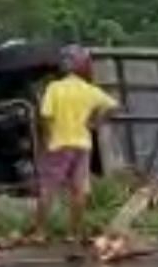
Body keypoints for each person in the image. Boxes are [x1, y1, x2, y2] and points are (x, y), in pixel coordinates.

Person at [29, 44, 118, 245]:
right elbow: (114, 106)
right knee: (79, 190)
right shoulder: (89, 90)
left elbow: (45, 116)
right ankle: (72, 233)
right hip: (83, 144)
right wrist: (95, 122)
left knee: (47, 189)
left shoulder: (54, 88)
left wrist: (48, 138)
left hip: (59, 144)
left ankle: (40, 232)